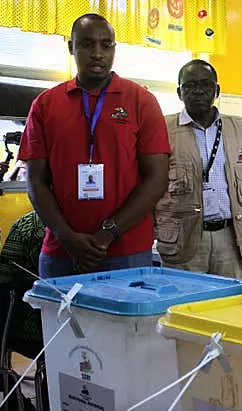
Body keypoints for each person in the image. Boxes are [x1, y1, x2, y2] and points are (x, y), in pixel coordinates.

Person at [18, 14, 170, 278]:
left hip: (127, 252)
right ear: (71, 48)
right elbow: (35, 181)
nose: (97, 53)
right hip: (61, 253)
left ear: (114, 48)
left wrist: (106, 234)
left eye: (106, 44)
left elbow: (157, 178)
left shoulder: (141, 101)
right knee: (59, 321)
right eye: (87, 44)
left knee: (125, 321)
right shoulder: (45, 105)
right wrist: (67, 237)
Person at [154, 60, 242, 279]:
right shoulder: (162, 127)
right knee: (184, 306)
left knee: (229, 308)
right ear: (180, 92)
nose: (198, 91)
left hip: (231, 238)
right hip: (184, 238)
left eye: (205, 84)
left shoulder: (239, 127)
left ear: (216, 90)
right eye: (190, 85)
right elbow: (151, 182)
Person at [0, 211, 48, 411]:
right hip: (69, 336)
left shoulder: (25, 226)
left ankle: (12, 403)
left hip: (22, 332)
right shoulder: (89, 224)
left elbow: (5, 283)